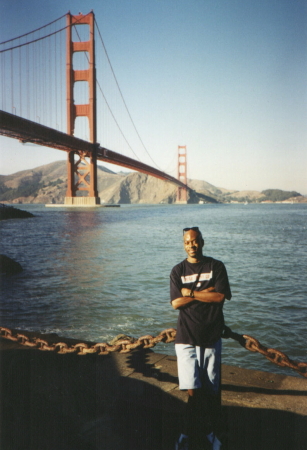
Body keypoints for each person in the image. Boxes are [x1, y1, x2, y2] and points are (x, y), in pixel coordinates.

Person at [170, 227, 232, 450]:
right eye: (187, 242)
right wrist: (207, 292)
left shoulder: (216, 266)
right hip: (186, 337)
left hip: (211, 338)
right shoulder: (177, 270)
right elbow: (175, 303)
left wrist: (191, 293)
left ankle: (198, 432)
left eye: (195, 241)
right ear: (183, 244)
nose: (191, 245)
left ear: (202, 242)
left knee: (210, 391)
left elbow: (221, 296)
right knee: (192, 390)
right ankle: (195, 433)